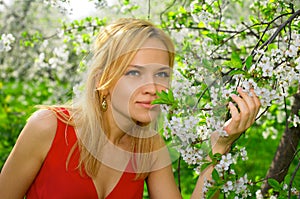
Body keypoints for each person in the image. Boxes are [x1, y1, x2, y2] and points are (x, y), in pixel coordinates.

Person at [0, 18, 260, 199]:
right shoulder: (48, 126)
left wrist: (220, 146)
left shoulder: (150, 147)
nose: (152, 87)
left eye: (161, 74)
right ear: (104, 79)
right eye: (134, 72)